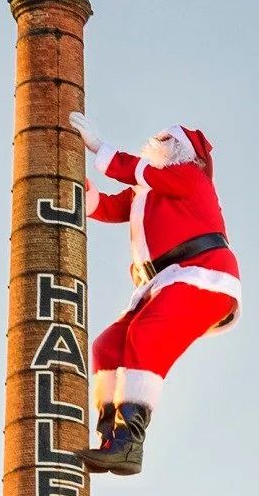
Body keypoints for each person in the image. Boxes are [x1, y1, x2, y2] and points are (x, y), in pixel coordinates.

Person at [69, 114, 240, 476]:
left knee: (146, 334)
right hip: (161, 283)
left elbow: (143, 173)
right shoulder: (145, 190)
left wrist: (101, 148)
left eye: (169, 139)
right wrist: (79, 188)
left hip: (204, 273)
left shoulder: (189, 176)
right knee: (108, 346)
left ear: (187, 152)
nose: (159, 140)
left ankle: (131, 441)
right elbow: (110, 207)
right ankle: (112, 439)